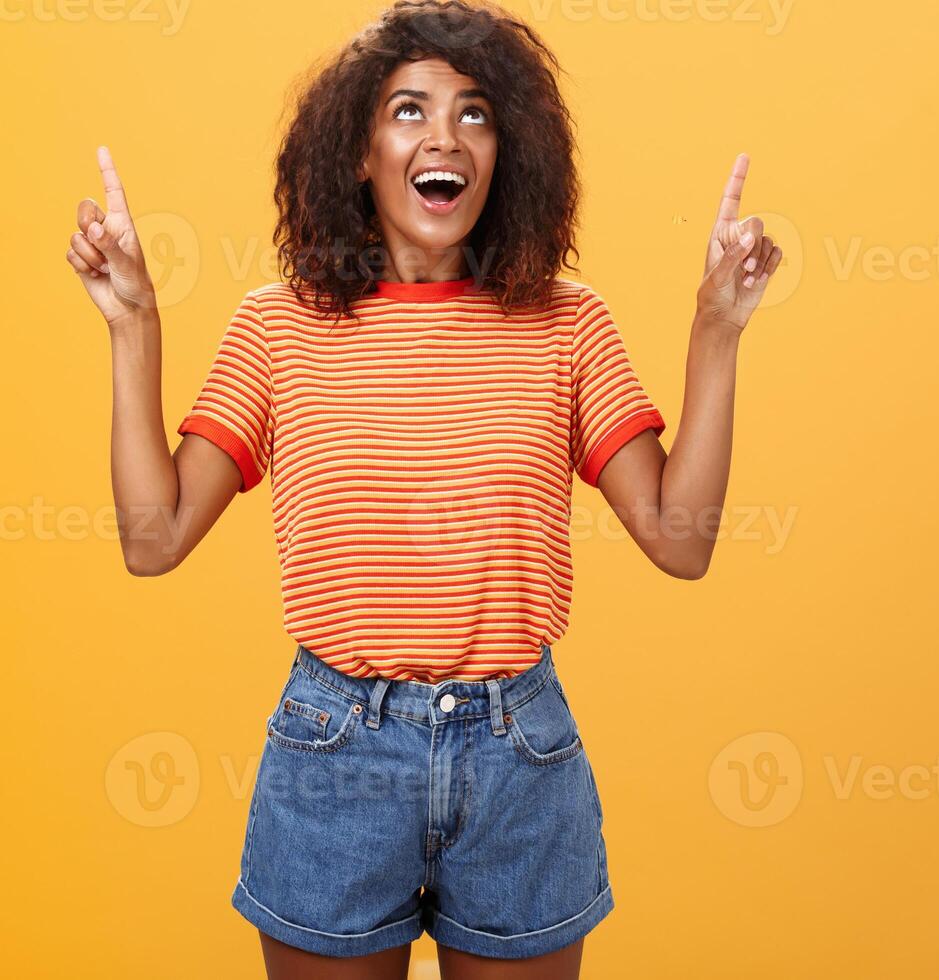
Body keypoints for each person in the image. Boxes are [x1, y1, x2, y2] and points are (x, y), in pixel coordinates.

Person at [62, 1, 783, 976]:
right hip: (334, 751)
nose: (444, 136)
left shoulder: (569, 326)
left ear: (507, 153)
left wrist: (716, 329)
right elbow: (153, 538)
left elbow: (680, 537)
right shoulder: (278, 329)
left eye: (475, 113)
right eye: (409, 109)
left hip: (517, 756)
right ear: (357, 151)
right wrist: (134, 324)